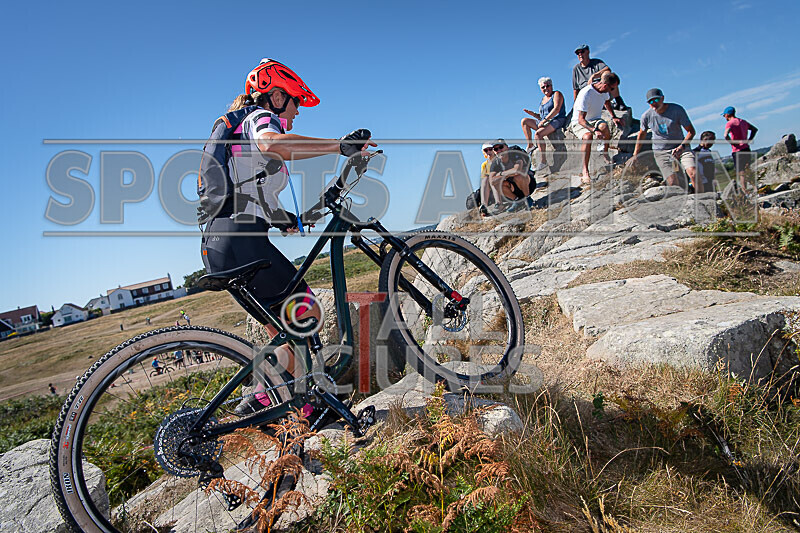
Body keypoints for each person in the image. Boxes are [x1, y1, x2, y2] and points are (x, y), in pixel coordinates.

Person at [200, 59, 375, 415]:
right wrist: (338, 146)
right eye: (295, 103)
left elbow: (257, 200)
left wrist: (294, 218)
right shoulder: (259, 118)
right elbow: (273, 143)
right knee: (306, 311)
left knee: (285, 331)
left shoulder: (239, 139)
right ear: (277, 96)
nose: (296, 113)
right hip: (241, 242)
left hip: (224, 243)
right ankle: (262, 398)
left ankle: (298, 407)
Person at [630, 88, 698, 192]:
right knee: (672, 182)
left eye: (656, 100)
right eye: (650, 102)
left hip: (681, 147)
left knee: (693, 172)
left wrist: (682, 147)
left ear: (662, 98)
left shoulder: (677, 110)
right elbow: (641, 135)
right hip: (661, 152)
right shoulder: (646, 116)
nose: (654, 104)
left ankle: (703, 200)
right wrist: (635, 155)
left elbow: (691, 131)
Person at [568, 72, 623, 184]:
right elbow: (581, 120)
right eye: (611, 88)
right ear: (604, 85)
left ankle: (605, 153)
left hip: (595, 119)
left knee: (604, 127)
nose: (612, 91)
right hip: (579, 122)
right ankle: (585, 171)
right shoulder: (586, 93)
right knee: (588, 137)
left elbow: (607, 102)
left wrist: (613, 117)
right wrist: (594, 131)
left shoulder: (604, 92)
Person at [521, 77, 566, 172]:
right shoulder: (543, 99)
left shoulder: (557, 94)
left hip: (556, 120)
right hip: (545, 121)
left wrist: (544, 120)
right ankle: (530, 145)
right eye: (543, 87)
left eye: (547, 86)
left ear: (551, 86)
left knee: (538, 134)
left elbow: (556, 109)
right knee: (524, 121)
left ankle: (543, 161)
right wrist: (533, 114)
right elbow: (541, 116)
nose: (546, 89)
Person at [486, 139, 535, 213]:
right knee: (497, 184)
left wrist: (500, 174)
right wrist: (508, 174)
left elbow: (517, 171)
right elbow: (492, 181)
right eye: (496, 149)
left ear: (507, 147)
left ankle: (528, 199)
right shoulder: (495, 162)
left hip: (528, 185)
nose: (499, 150)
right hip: (513, 188)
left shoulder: (514, 154)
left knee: (518, 176)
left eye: (501, 147)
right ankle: (517, 201)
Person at [572, 44, 626, 110]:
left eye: (582, 52)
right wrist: (575, 104)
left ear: (588, 52)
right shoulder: (576, 69)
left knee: (609, 76)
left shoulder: (597, 62)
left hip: (602, 91)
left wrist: (594, 76)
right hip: (588, 95)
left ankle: (619, 101)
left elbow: (607, 69)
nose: (580, 54)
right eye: (578, 53)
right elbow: (575, 89)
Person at [722, 106, 758, 191]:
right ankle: (755, 187)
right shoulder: (743, 121)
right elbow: (754, 129)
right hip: (746, 148)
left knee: (741, 172)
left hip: (737, 150)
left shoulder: (730, 123)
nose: (724, 117)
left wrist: (732, 142)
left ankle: (744, 190)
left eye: (724, 115)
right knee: (747, 169)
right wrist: (749, 139)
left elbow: (725, 135)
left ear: (727, 115)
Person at [478, 143, 496, 217]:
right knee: (485, 179)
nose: (488, 152)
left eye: (490, 149)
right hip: (490, 186)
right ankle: (484, 205)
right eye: (486, 150)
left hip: (499, 183)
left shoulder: (499, 160)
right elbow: (483, 178)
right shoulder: (484, 164)